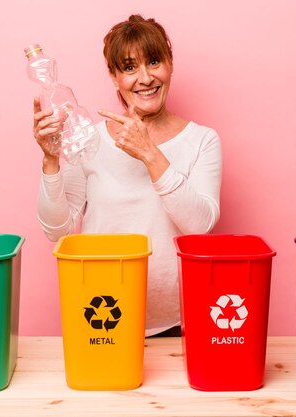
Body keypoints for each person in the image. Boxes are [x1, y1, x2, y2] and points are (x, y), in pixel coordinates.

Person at [32, 14, 222, 337]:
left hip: (177, 321)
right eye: (130, 67)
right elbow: (58, 230)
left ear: (170, 64)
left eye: (154, 61)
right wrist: (51, 160)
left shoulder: (203, 140)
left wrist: (149, 153)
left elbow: (200, 224)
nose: (146, 78)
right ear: (114, 76)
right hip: (99, 312)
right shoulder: (90, 139)